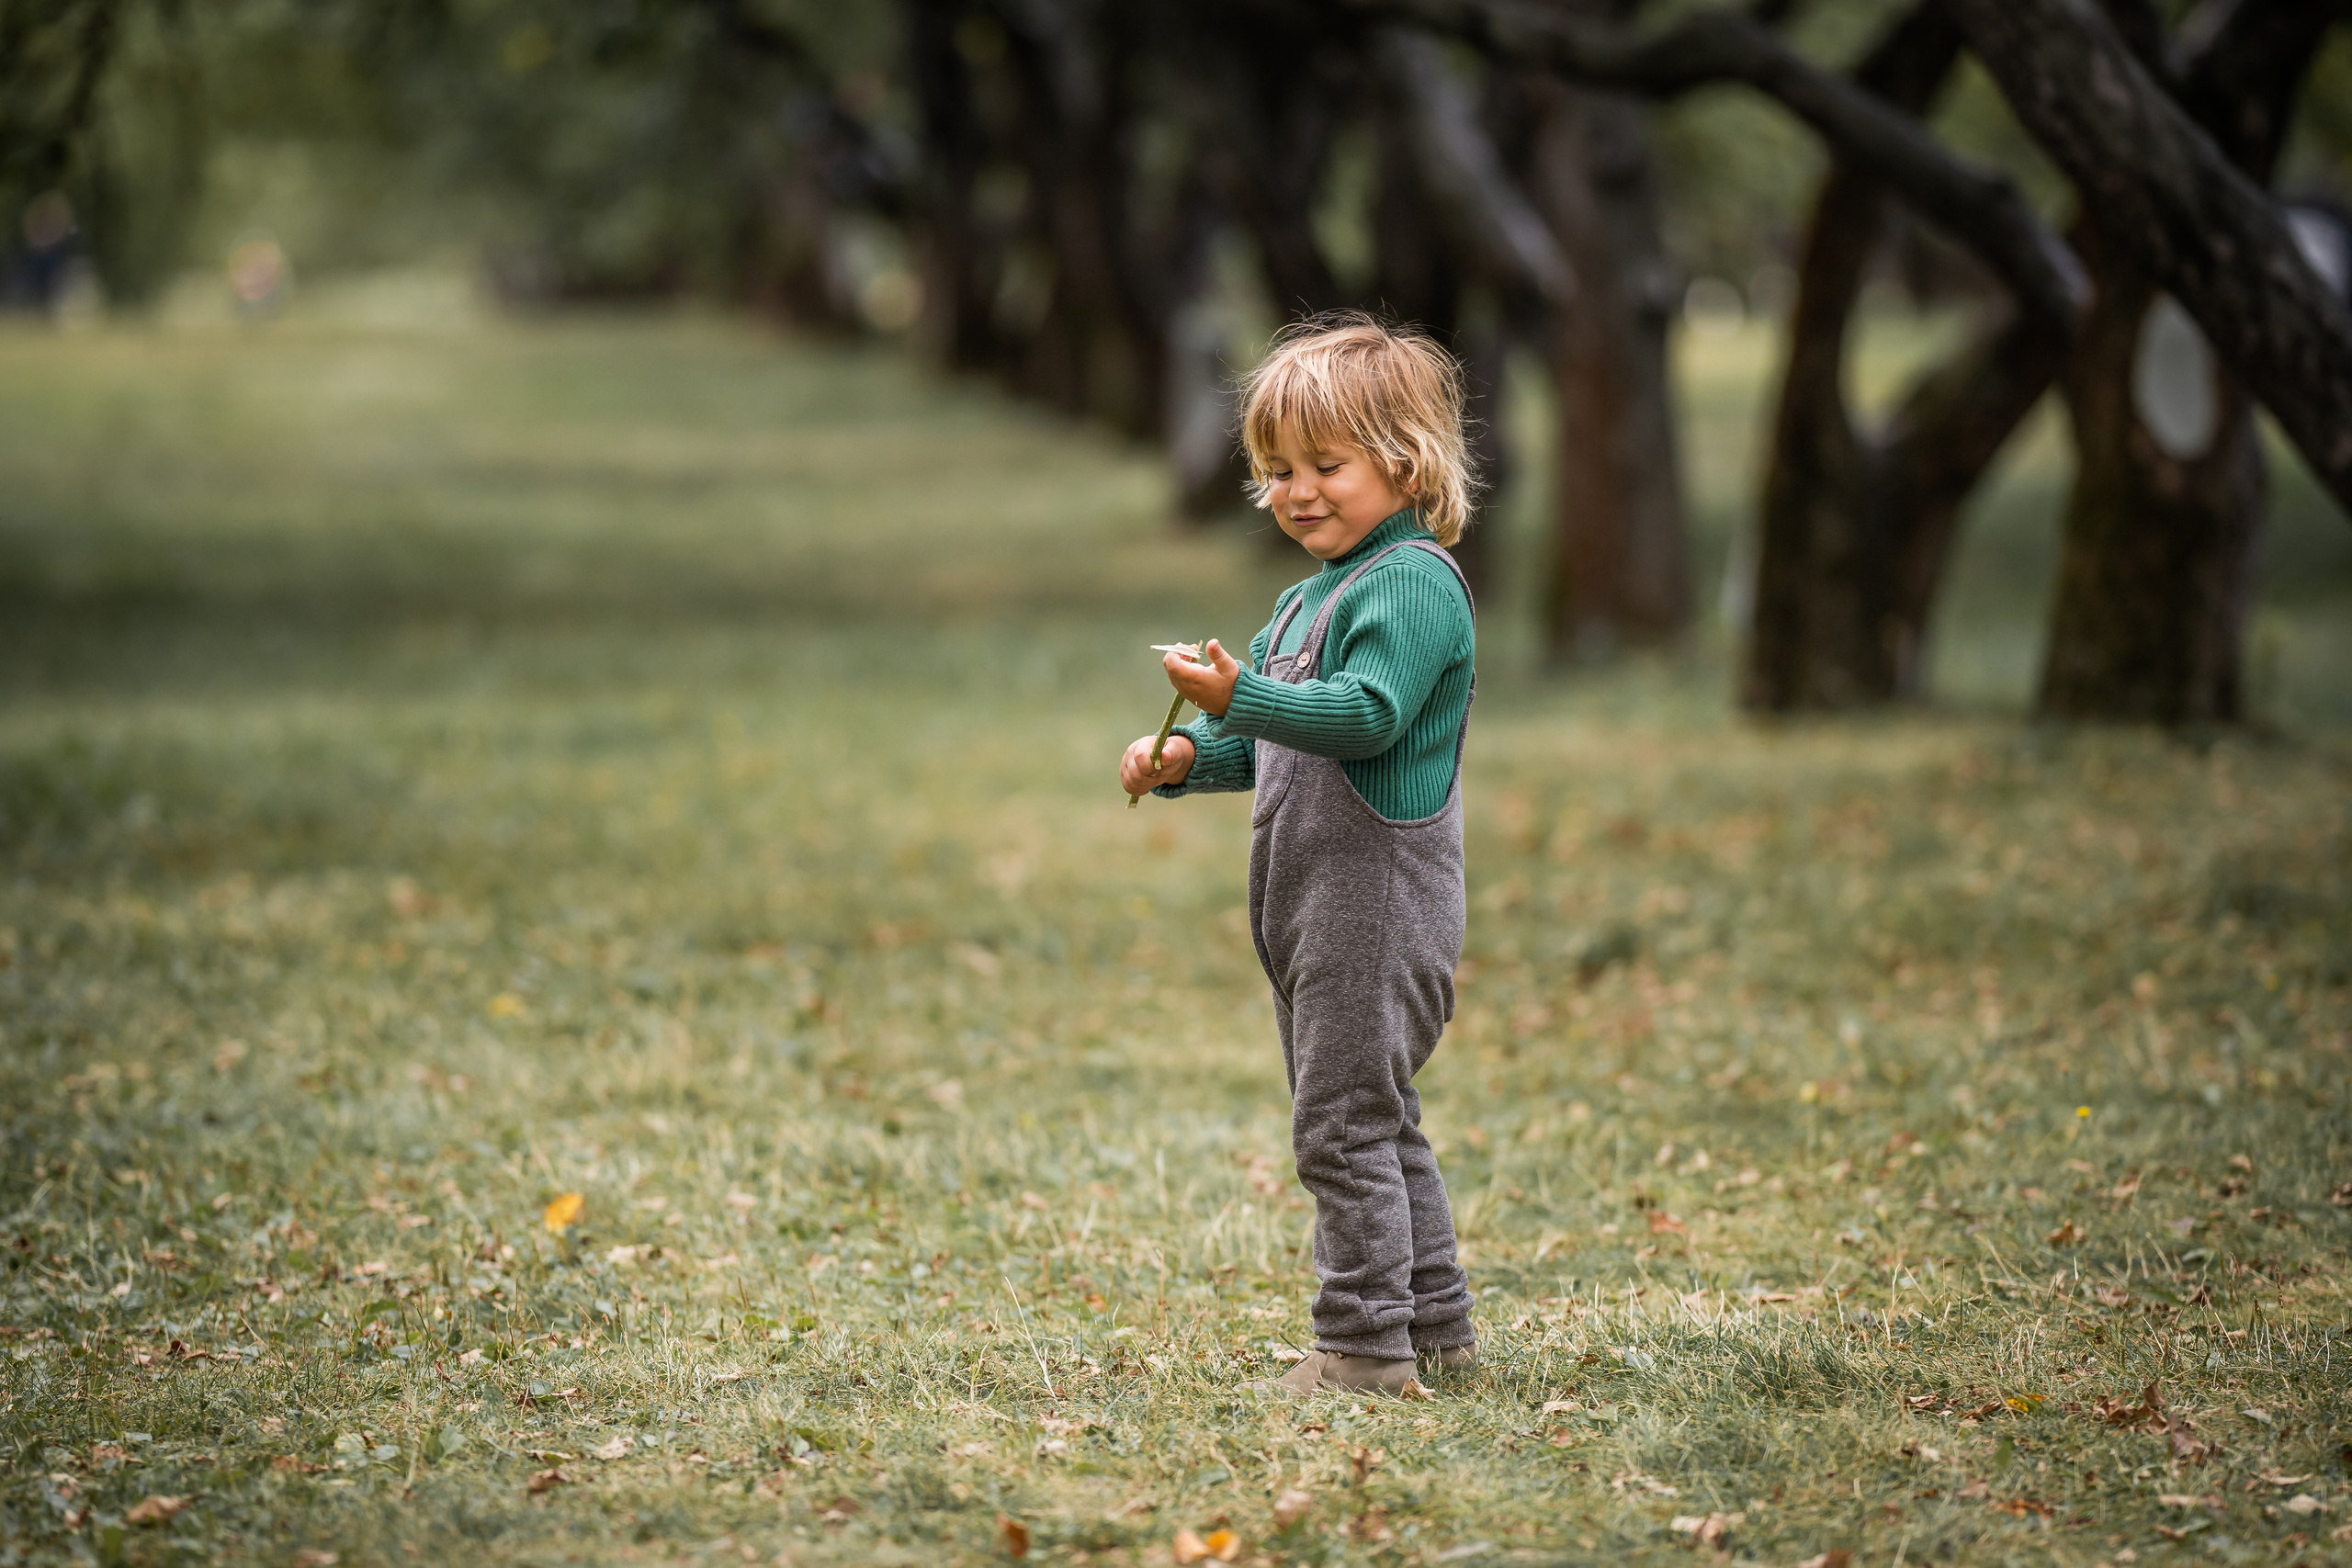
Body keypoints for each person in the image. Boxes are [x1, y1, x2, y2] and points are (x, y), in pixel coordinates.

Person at [1118, 313, 1480, 1395]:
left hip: (1377, 903)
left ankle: (1363, 1352)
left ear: (1406, 462)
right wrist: (1188, 753)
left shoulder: (1412, 583)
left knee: (1338, 1128)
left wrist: (1243, 693)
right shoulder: (1305, 596)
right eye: (1278, 471)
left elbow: (1362, 716)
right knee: (1377, 1116)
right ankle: (1437, 1332)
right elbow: (1276, 736)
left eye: (1327, 464)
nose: (1297, 491)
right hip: (1313, 902)